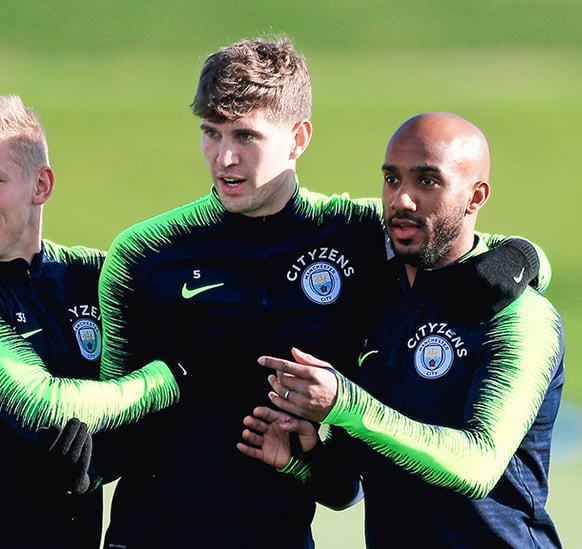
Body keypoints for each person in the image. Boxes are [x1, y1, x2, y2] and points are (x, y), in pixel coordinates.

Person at [97, 38, 548, 549]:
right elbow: (117, 428)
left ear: (298, 138)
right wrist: (75, 456)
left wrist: (524, 257)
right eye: (211, 133)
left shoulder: (356, 235)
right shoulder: (145, 251)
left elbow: (446, 236)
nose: (224, 157)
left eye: (246, 135)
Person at [238, 112, 565, 548]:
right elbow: (350, 489)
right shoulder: (376, 301)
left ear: (475, 196)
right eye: (392, 180)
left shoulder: (521, 317)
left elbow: (478, 466)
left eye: (427, 181)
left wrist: (346, 403)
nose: (401, 200)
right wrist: (308, 455)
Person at [0, 94, 185, 548]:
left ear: (41, 186)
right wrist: (169, 378)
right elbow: (47, 407)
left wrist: (95, 468)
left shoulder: (91, 277)